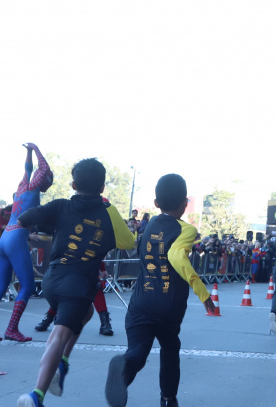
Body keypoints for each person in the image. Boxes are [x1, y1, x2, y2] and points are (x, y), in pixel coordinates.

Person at [15, 158, 134, 407]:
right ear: (102, 188)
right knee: (59, 336)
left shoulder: (60, 206)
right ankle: (36, 395)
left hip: (52, 280)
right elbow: (128, 242)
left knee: (87, 312)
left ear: (72, 184)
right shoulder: (107, 214)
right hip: (77, 286)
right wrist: (107, 206)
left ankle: (63, 364)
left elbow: (25, 218)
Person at [105, 174, 216, 407]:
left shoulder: (149, 225)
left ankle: (124, 369)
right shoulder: (186, 229)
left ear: (156, 203)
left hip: (140, 302)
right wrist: (203, 293)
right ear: (185, 203)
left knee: (138, 350)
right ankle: (168, 400)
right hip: (169, 304)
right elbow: (176, 256)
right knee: (170, 347)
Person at [0, 143, 53, 342]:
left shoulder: (23, 185)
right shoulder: (33, 189)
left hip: (7, 235)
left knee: (1, 285)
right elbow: (43, 169)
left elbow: (29, 169)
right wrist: (36, 149)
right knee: (27, 285)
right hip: (17, 237)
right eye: (49, 180)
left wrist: (29, 153)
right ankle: (12, 329)